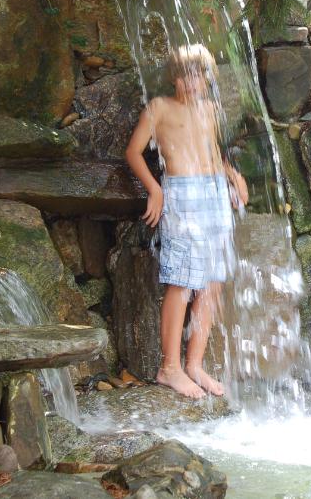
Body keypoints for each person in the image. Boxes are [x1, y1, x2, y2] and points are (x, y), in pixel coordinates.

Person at [125, 43, 248, 399]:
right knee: (181, 281)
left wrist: (233, 177)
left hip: (214, 194)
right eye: (184, 76)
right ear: (174, 78)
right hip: (182, 195)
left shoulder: (210, 109)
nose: (192, 83)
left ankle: (194, 364)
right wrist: (155, 189)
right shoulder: (160, 108)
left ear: (208, 79)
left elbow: (212, 152)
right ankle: (170, 368)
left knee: (212, 283)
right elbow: (133, 152)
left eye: (199, 76)